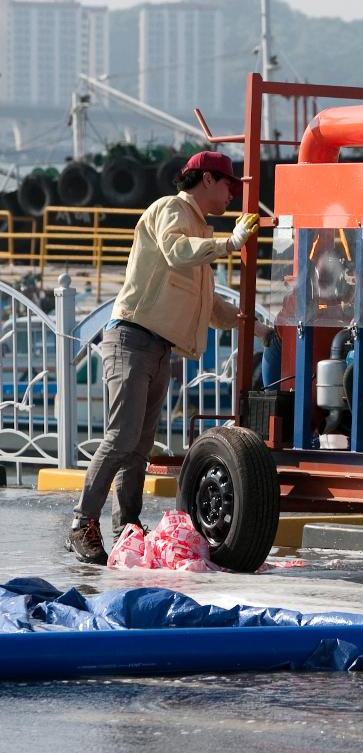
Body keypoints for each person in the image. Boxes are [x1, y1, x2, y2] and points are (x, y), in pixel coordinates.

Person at [66, 151, 269, 564]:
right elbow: (176, 252)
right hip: (132, 339)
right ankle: (82, 522)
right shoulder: (171, 209)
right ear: (207, 180)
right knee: (122, 438)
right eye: (229, 184)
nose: (232, 193)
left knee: (138, 447)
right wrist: (229, 243)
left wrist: (257, 325)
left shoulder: (199, 228)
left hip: (157, 347)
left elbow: (208, 306)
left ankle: (127, 527)